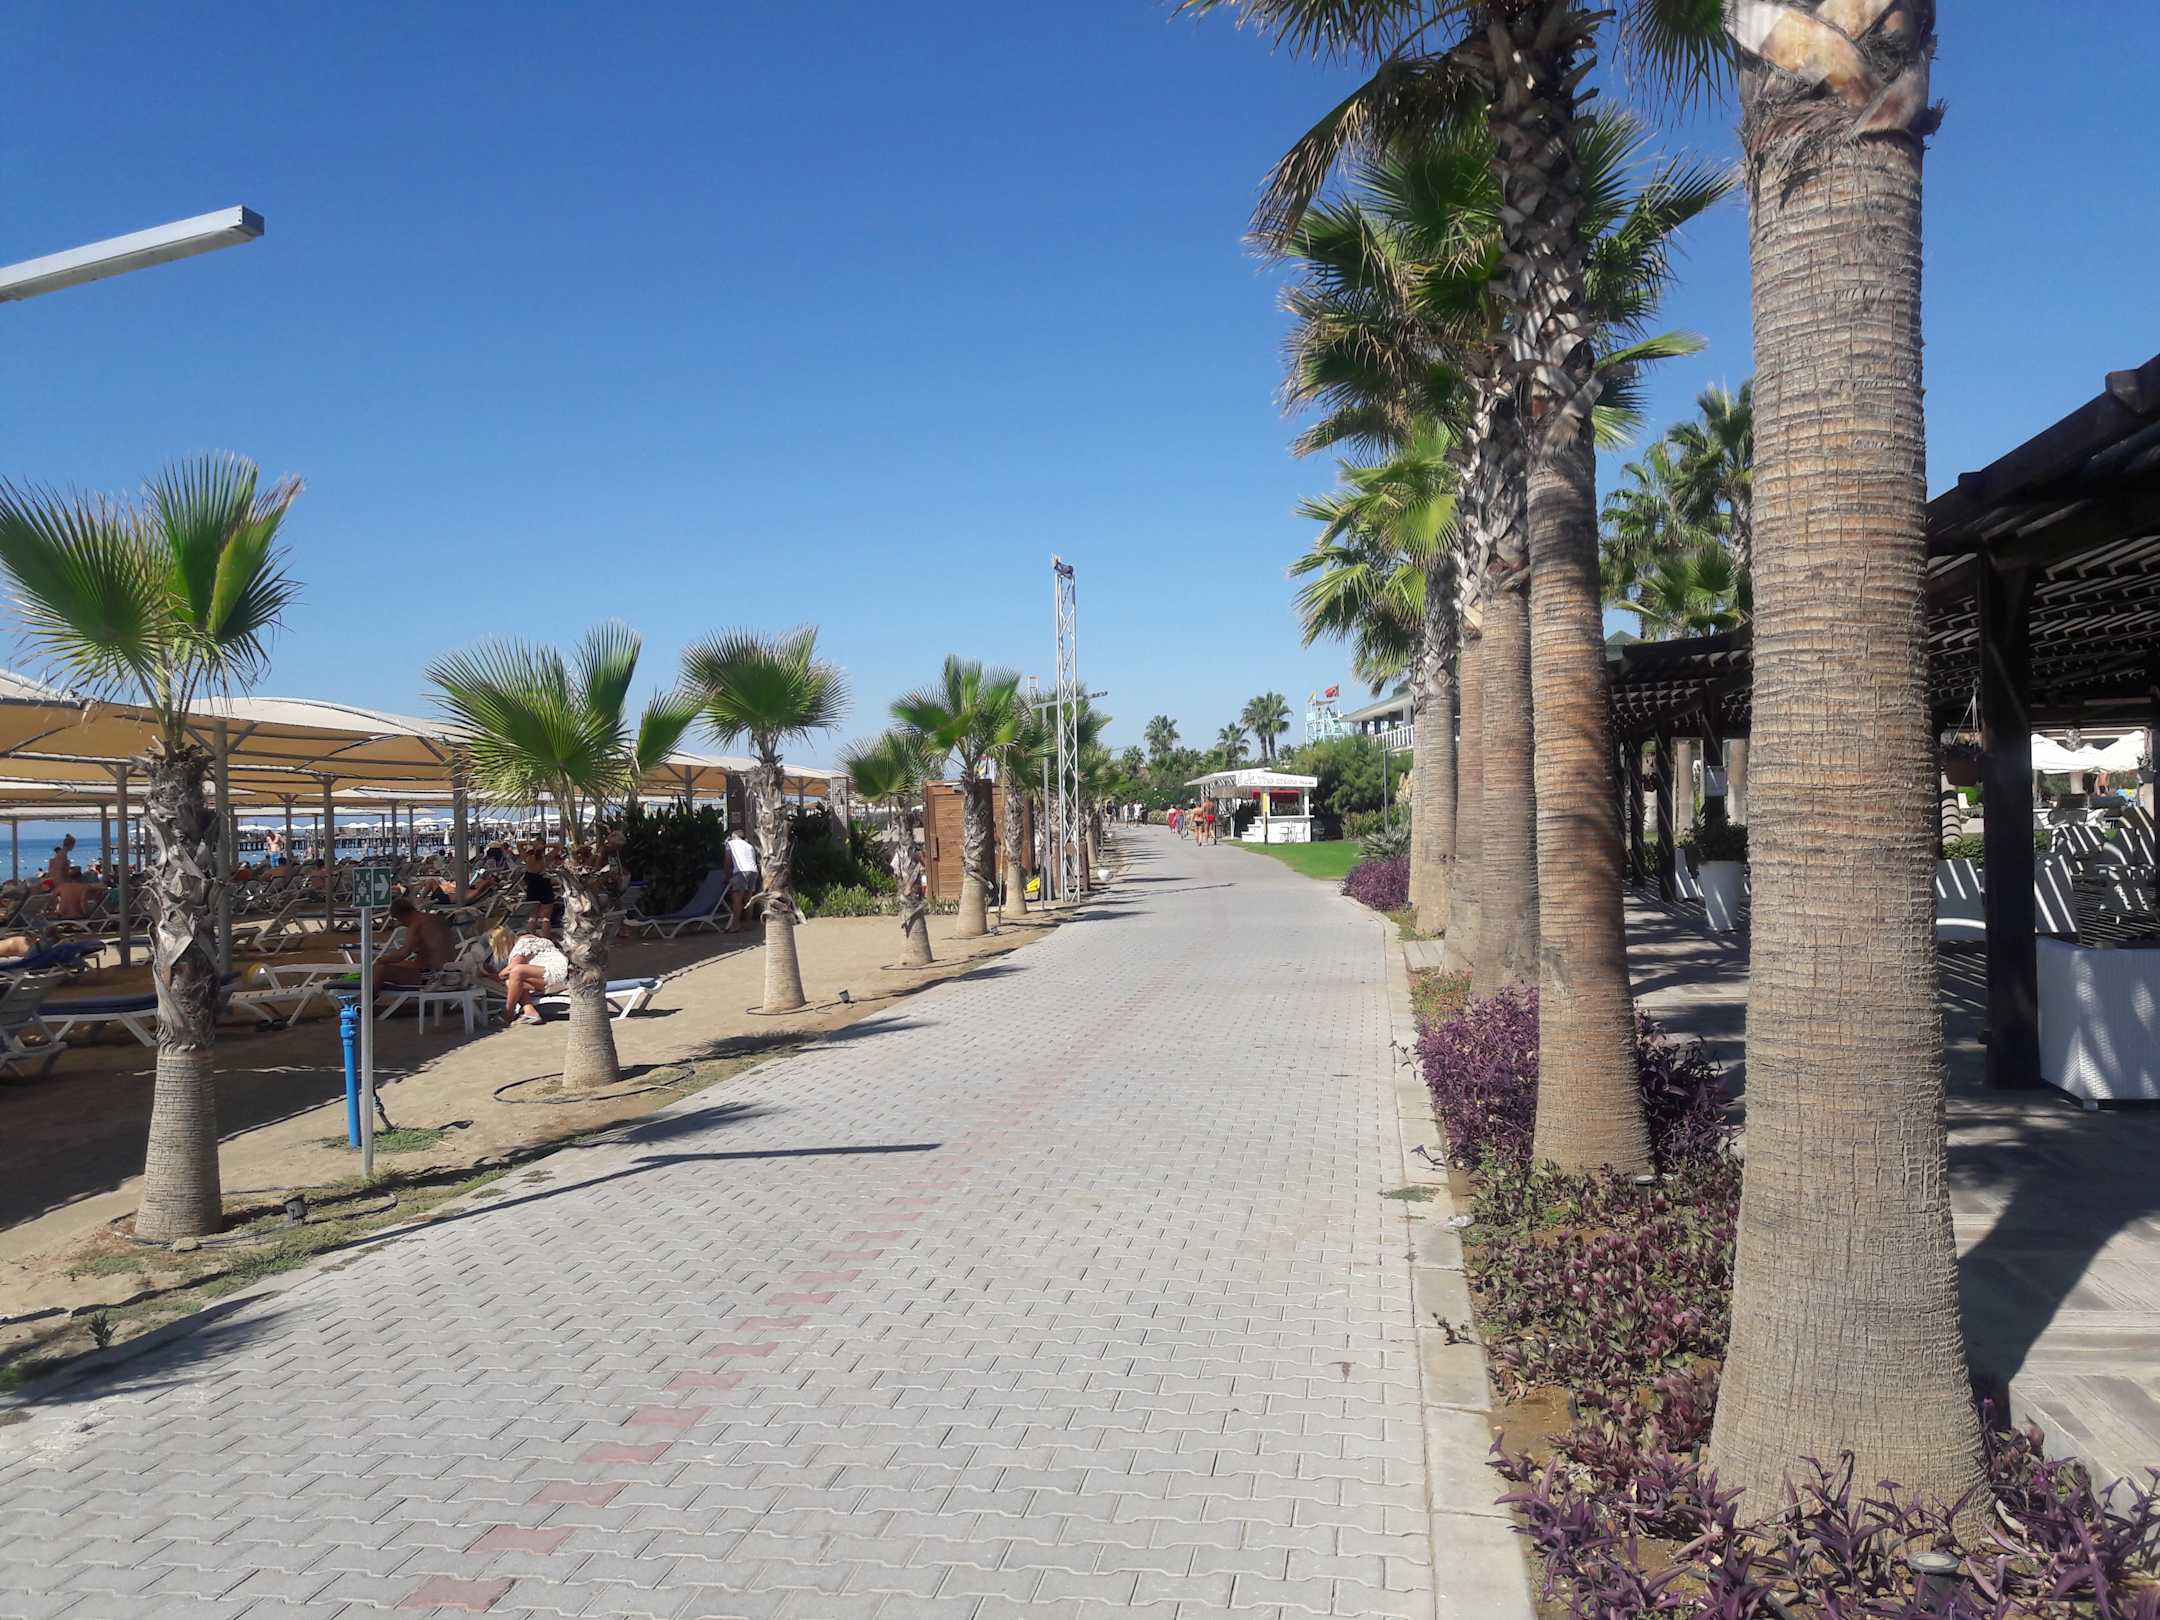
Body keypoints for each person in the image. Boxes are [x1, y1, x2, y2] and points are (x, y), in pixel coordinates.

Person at [483, 924, 569, 1025]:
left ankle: (509, 1011)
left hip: (557, 974)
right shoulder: (530, 941)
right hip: (549, 979)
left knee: (516, 971)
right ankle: (530, 1012)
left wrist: (493, 976)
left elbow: (511, 969)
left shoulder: (523, 942)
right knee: (512, 982)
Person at [373, 895, 454, 989]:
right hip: (447, 970)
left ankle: (368, 997)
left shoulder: (415, 924)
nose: (401, 923)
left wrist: (380, 960)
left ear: (401, 916)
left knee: (380, 969)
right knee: (391, 964)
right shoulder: (436, 918)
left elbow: (404, 953)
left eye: (398, 919)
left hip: (431, 976)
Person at [724, 827, 760, 933]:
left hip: (740, 872)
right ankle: (748, 924)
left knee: (737, 899)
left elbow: (727, 861)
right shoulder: (749, 846)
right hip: (753, 871)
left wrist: (727, 877)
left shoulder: (730, 844)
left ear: (733, 836)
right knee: (749, 899)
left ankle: (735, 925)